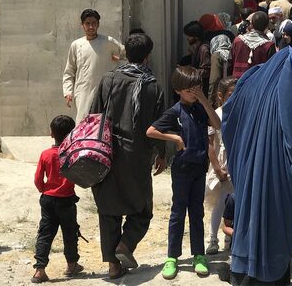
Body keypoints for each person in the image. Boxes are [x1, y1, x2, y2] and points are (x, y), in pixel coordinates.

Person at [222, 47, 292, 285]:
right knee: (273, 230)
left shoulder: (250, 81)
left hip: (246, 174)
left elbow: (229, 119)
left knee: (248, 224)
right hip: (277, 182)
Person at [89, 32, 167, 279]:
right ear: (147, 57)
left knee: (109, 209)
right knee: (142, 209)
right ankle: (125, 245)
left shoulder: (109, 79)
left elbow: (93, 116)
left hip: (107, 152)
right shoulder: (152, 86)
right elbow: (159, 126)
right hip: (137, 155)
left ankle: (113, 264)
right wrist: (162, 154)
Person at [147, 66, 221, 279]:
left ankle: (198, 254)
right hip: (182, 169)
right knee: (178, 213)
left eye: (196, 88)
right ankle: (172, 257)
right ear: (179, 90)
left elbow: (217, 124)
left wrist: (205, 101)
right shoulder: (175, 111)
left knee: (197, 212)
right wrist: (176, 139)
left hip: (199, 167)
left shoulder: (200, 109)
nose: (193, 92)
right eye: (189, 89)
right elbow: (151, 131)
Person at [32, 115, 83, 284]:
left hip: (48, 199)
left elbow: (38, 179)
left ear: (51, 133)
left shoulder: (45, 154)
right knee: (70, 233)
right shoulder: (73, 154)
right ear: (72, 135)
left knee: (45, 234)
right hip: (67, 200)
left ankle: (39, 270)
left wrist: (44, 190)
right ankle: (71, 265)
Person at [62, 9, 124, 120]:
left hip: (106, 91)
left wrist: (119, 60)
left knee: (105, 124)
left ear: (98, 24)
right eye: (87, 23)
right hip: (83, 91)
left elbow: (127, 55)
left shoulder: (108, 41)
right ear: (82, 25)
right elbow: (69, 70)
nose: (91, 27)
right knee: (83, 123)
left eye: (94, 23)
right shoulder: (76, 45)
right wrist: (68, 91)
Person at [204, 77, 237, 255]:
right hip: (221, 166)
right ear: (221, 96)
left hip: (236, 165)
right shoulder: (216, 114)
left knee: (232, 203)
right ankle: (213, 238)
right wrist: (217, 168)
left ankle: (229, 238)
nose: (234, 98)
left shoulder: (240, 113)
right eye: (230, 95)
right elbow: (210, 144)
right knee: (219, 203)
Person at [231, 11, 275, 78]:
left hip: (236, 82)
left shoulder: (237, 41)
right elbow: (270, 69)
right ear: (267, 26)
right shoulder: (269, 45)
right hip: (256, 83)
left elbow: (230, 62)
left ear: (251, 24)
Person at [182, 21, 212, 97]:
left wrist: (189, 72)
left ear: (196, 36)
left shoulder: (203, 49)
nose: (187, 39)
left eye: (189, 36)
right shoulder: (197, 48)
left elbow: (206, 71)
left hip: (202, 90)